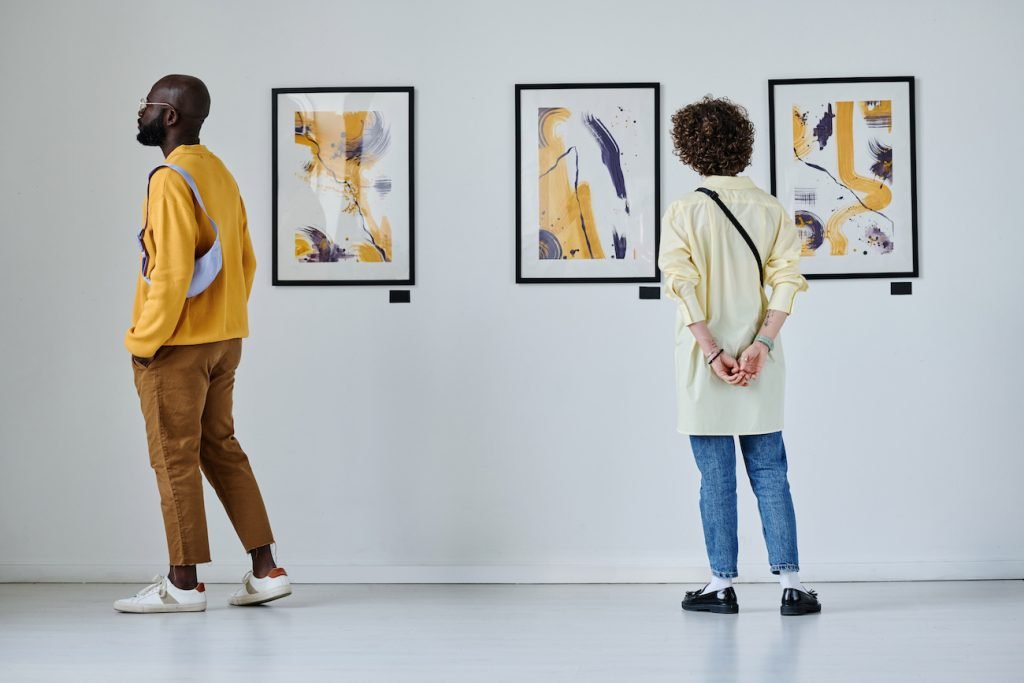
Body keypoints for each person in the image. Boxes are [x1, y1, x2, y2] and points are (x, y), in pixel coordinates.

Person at [114, 75, 291, 613]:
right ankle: (267, 570)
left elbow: (168, 274)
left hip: (177, 345)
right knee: (222, 448)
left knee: (174, 458)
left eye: (145, 105)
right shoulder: (219, 171)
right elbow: (246, 261)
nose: (138, 113)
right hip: (225, 340)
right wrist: (228, 320)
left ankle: (183, 582)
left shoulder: (170, 179)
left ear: (168, 116)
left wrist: (145, 340)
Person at [658, 96, 820, 616]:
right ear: (743, 145)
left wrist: (711, 352)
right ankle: (792, 585)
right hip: (759, 364)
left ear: (690, 150)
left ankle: (720, 585)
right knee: (771, 471)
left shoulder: (684, 210)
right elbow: (787, 282)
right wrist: (760, 345)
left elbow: (681, 287)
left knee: (715, 477)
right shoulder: (771, 208)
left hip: (705, 365)